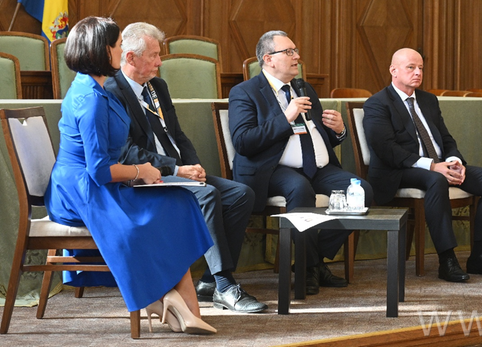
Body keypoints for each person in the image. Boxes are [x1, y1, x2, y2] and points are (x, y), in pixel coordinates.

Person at [44, 17, 216, 335]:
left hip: (100, 179)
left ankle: (183, 305)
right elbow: (98, 170)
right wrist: (142, 171)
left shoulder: (99, 87)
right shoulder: (90, 99)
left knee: (180, 201)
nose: (122, 50)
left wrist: (144, 172)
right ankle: (168, 299)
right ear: (102, 50)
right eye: (118, 45)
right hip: (79, 189)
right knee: (163, 211)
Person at [104, 22, 266, 313]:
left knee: (241, 194)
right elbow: (126, 152)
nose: (160, 62)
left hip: (178, 173)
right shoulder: (112, 91)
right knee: (207, 196)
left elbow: (177, 134)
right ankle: (225, 285)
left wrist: (193, 164)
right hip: (143, 180)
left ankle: (209, 281)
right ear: (130, 58)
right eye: (153, 55)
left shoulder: (157, 86)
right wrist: (176, 170)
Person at [228, 30, 373, 295]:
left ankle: (314, 260)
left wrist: (338, 130)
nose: (297, 56)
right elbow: (244, 142)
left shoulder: (304, 88)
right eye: (289, 52)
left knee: (362, 191)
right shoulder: (245, 92)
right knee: (300, 188)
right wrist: (286, 116)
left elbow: (319, 136)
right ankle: (308, 270)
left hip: (319, 168)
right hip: (272, 169)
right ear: (269, 59)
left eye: (295, 51)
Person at [363, 48, 482, 283]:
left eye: (421, 68)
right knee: (437, 179)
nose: (418, 73)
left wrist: (454, 161)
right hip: (399, 171)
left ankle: (480, 256)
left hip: (440, 167)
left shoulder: (428, 100)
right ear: (393, 70)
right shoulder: (377, 103)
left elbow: (446, 139)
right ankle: (447, 260)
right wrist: (432, 166)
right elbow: (386, 149)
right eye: (411, 67)